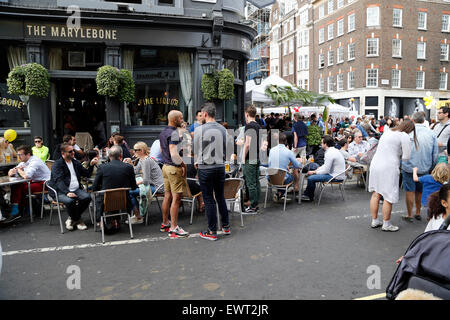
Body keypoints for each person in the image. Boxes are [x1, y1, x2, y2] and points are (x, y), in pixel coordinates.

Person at [368, 120, 417, 232]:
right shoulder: (404, 136)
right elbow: (406, 157)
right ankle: (386, 223)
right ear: (409, 129)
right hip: (389, 166)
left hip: (376, 164)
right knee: (388, 195)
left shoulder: (388, 131)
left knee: (376, 193)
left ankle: (374, 220)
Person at [193, 102, 230, 241]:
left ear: (206, 114)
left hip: (205, 168)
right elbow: (227, 148)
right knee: (220, 196)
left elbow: (196, 151)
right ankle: (226, 226)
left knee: (208, 199)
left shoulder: (199, 130)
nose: (201, 116)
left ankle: (212, 231)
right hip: (220, 166)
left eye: (202, 114)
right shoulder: (223, 129)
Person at [49, 143, 98, 231]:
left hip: (76, 189)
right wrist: (67, 192)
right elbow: (59, 181)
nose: (73, 153)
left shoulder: (75, 162)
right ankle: (78, 220)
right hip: (60, 191)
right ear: (63, 153)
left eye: (73, 151)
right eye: (70, 151)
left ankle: (72, 219)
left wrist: (91, 165)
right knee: (70, 201)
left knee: (87, 197)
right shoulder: (58, 164)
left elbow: (86, 173)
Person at [401, 112, 439, 221]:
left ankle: (410, 214)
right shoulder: (431, 133)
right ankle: (417, 212)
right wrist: (432, 166)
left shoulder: (408, 133)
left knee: (410, 190)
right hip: (425, 166)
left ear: (413, 120)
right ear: (424, 120)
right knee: (420, 191)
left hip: (409, 166)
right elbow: (435, 153)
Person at [159, 110, 189, 238]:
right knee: (176, 199)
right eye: (181, 118)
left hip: (165, 167)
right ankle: (174, 228)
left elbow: (162, 150)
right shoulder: (174, 133)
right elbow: (174, 153)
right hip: (173, 168)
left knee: (167, 196)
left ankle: (165, 223)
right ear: (175, 119)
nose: (182, 120)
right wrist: (183, 164)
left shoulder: (163, 132)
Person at [2, 145, 51, 224]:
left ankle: (17, 210)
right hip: (35, 181)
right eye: (17, 155)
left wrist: (18, 170)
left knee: (20, 187)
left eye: (20, 155)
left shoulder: (34, 161)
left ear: (28, 154)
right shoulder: (23, 162)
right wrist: (13, 171)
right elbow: (10, 173)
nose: (18, 157)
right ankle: (21, 210)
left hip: (45, 183)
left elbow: (26, 176)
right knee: (17, 185)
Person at [92, 145, 138, 227]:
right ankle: (116, 219)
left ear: (109, 156)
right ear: (121, 155)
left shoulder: (102, 167)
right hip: (123, 201)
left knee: (99, 196)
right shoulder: (128, 167)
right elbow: (133, 186)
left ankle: (100, 221)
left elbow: (94, 187)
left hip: (106, 202)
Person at [125, 142, 164, 224]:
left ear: (142, 151)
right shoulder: (141, 159)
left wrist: (136, 184)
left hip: (157, 187)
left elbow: (146, 181)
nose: (133, 152)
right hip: (152, 184)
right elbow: (135, 171)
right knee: (130, 191)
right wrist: (130, 163)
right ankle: (138, 214)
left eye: (135, 150)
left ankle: (138, 216)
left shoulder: (146, 161)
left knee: (129, 192)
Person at [302, 135, 346, 202]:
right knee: (314, 171)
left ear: (326, 144)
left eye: (322, 143)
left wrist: (314, 172)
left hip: (335, 176)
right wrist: (317, 170)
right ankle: (307, 194)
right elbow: (326, 166)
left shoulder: (330, 153)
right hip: (336, 174)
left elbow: (326, 170)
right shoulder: (333, 150)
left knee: (311, 178)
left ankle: (308, 196)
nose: (321, 144)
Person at [268, 133, 303, 201]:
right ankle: (280, 193)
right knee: (290, 177)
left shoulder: (271, 150)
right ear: (285, 141)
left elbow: (270, 164)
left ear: (277, 141)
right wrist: (300, 161)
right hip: (282, 178)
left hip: (270, 178)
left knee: (281, 175)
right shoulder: (288, 152)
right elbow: (297, 165)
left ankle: (280, 193)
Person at [242, 105, 262, 214]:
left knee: (251, 183)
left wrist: (242, 158)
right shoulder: (259, 126)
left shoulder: (249, 126)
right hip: (256, 156)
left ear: (247, 114)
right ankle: (255, 204)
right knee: (256, 182)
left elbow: (247, 144)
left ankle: (253, 206)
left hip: (250, 157)